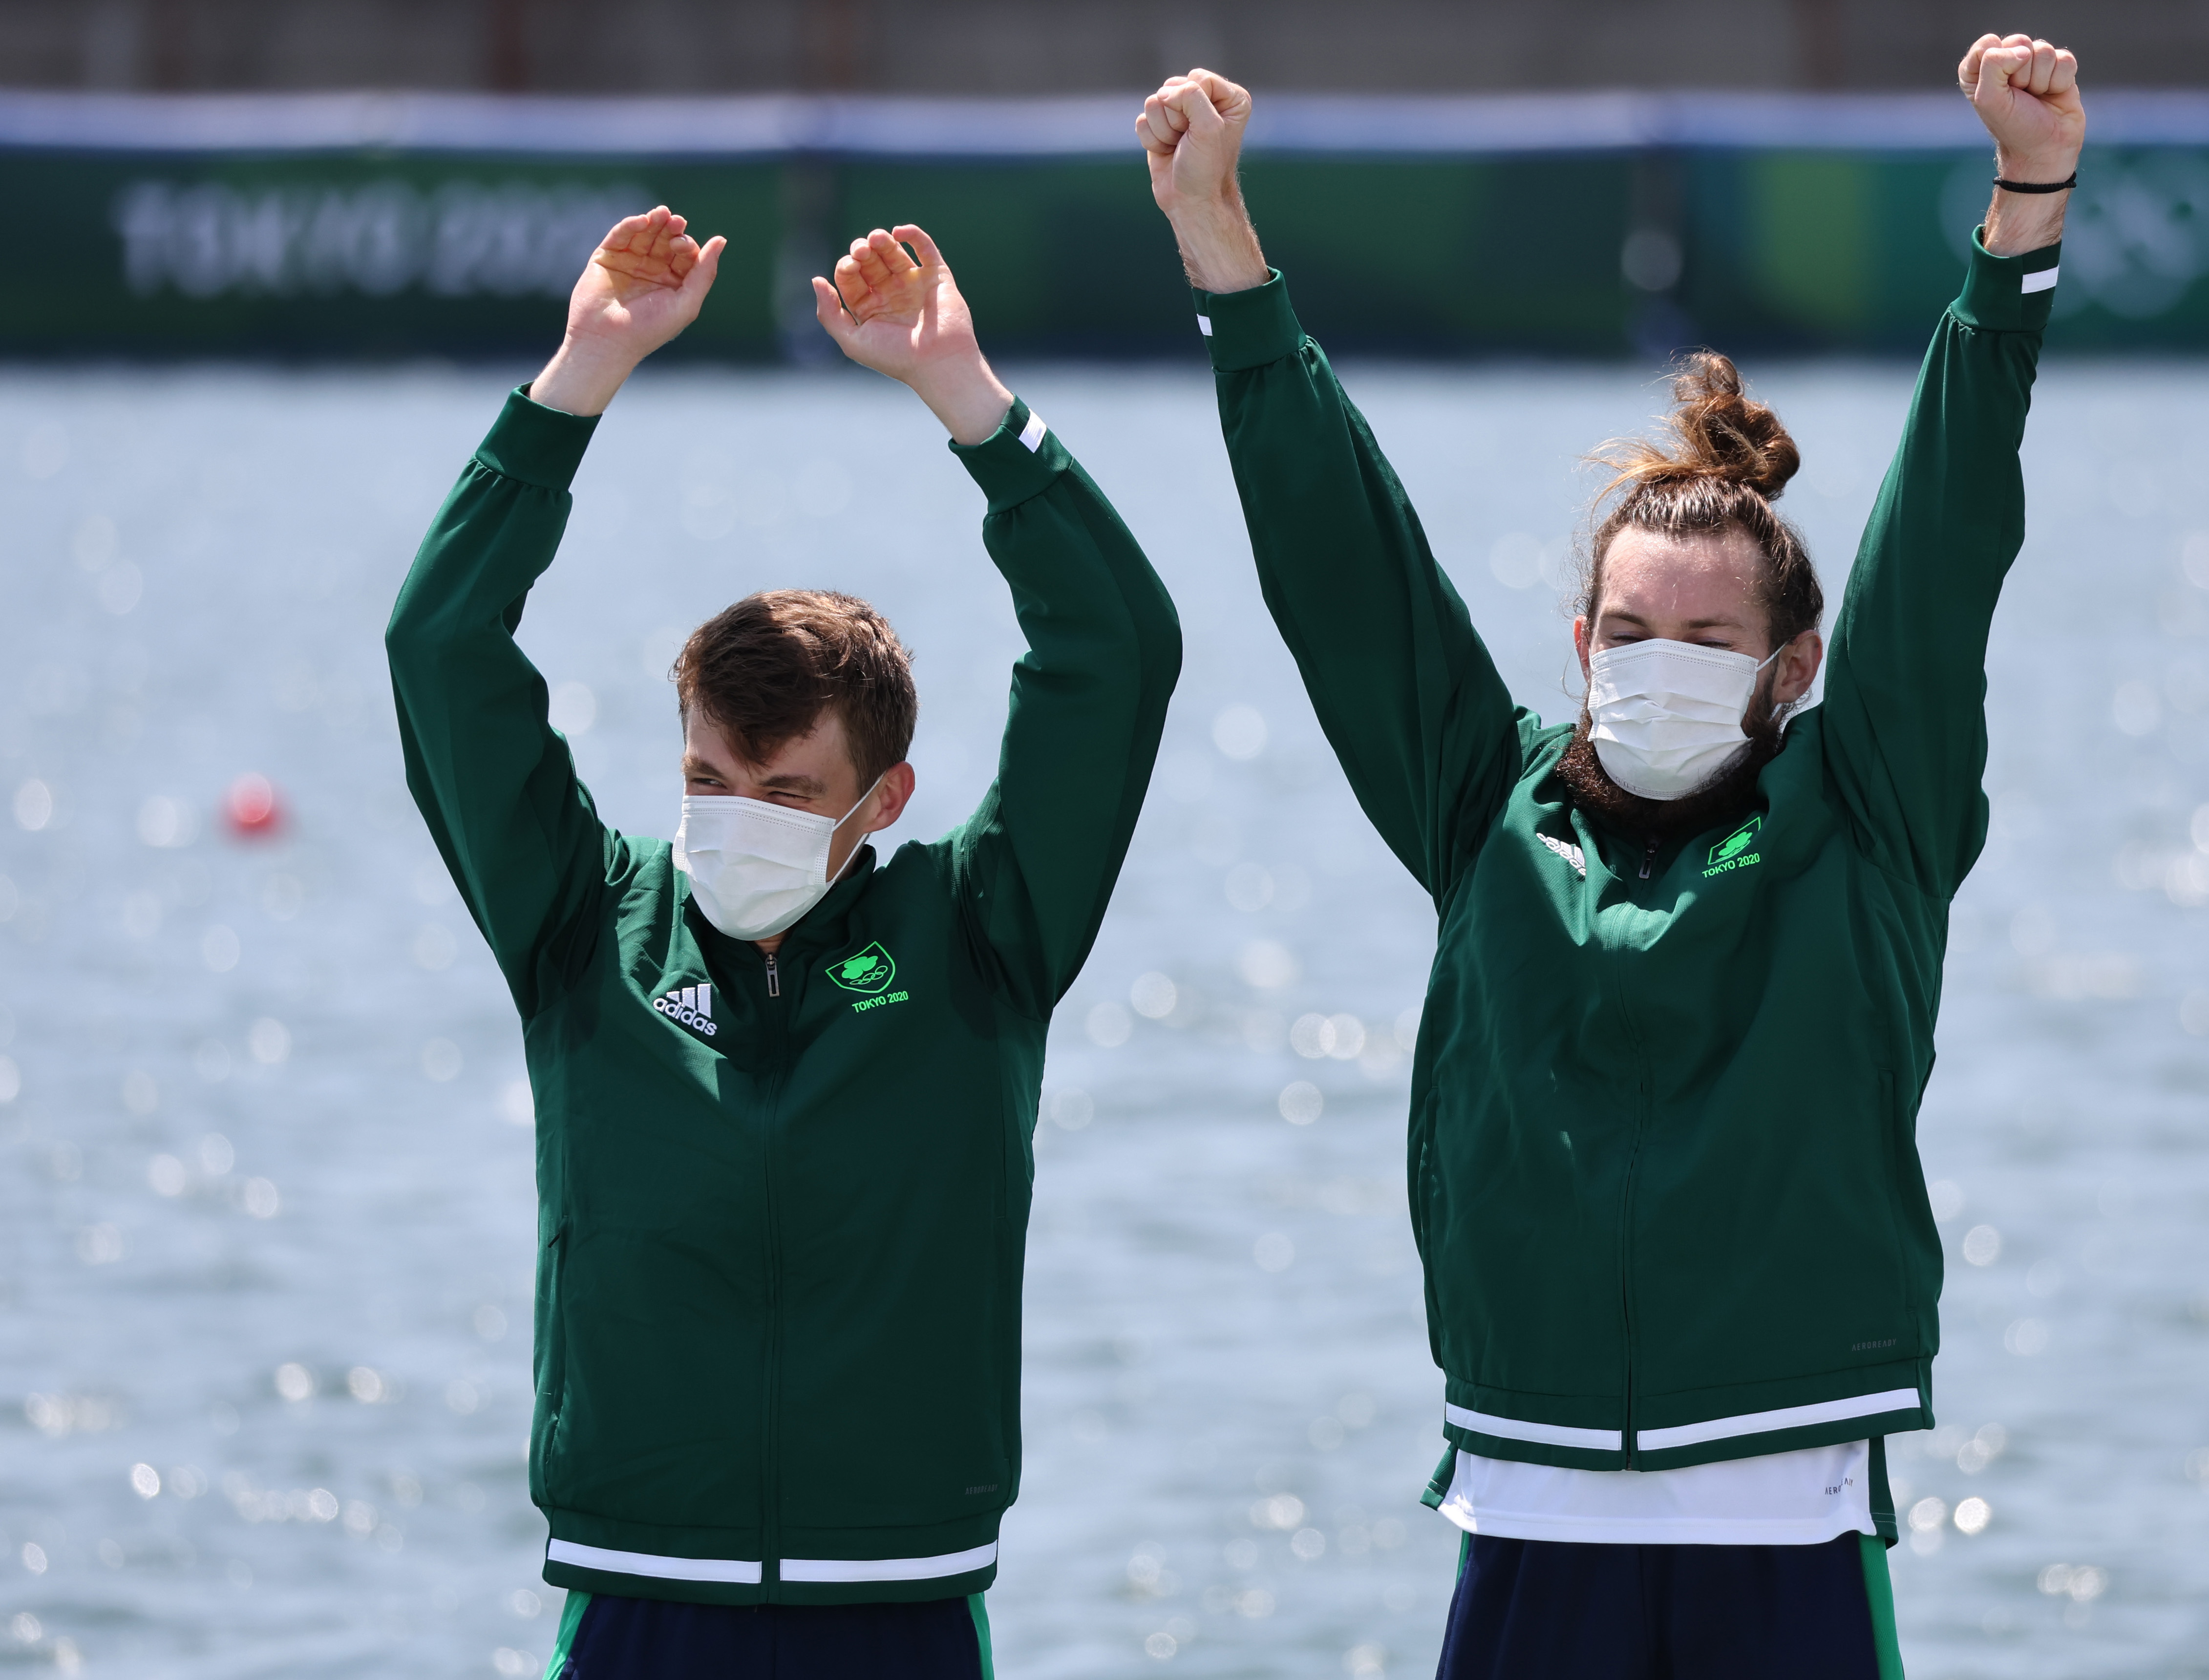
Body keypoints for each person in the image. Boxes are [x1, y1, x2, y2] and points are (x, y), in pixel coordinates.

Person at [1138, 32, 2082, 1679]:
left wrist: (2024, 207)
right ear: (1580, 639)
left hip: (1784, 1509)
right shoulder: (1481, 803)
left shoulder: (1869, 819)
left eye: (1709, 635)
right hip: (1526, 1501)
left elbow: (1945, 543)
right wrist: (1223, 244)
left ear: (1793, 669)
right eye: (1631, 630)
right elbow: (1342, 562)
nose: (1659, 660)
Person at [385, 206, 1181, 1676]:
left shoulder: (978, 939)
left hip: (899, 1600)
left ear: (884, 799)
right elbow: (442, 647)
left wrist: (971, 404)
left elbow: (1116, 652)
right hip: (638, 1591)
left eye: (787, 791)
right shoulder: (582, 926)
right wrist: (581, 375)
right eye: (707, 781)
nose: (734, 818)